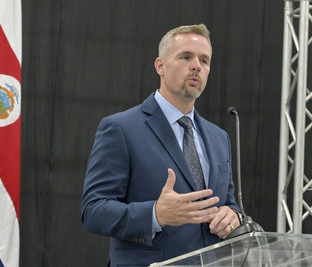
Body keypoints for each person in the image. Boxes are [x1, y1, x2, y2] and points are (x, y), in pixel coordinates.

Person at [81, 24, 241, 267]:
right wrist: (155, 214)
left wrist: (234, 217)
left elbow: (228, 203)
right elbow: (94, 211)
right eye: (186, 57)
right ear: (160, 66)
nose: (197, 65)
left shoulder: (219, 137)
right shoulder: (121, 129)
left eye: (204, 60)